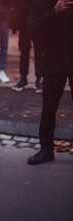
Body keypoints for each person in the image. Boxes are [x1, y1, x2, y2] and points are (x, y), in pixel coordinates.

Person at [27, 0, 73, 165]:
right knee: (48, 108)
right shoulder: (41, 2)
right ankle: (46, 150)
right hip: (54, 60)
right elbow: (32, 28)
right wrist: (54, 12)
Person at [10, 0, 44, 93]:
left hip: (38, 21)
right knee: (24, 51)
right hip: (23, 22)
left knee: (39, 52)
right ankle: (23, 78)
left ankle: (39, 79)